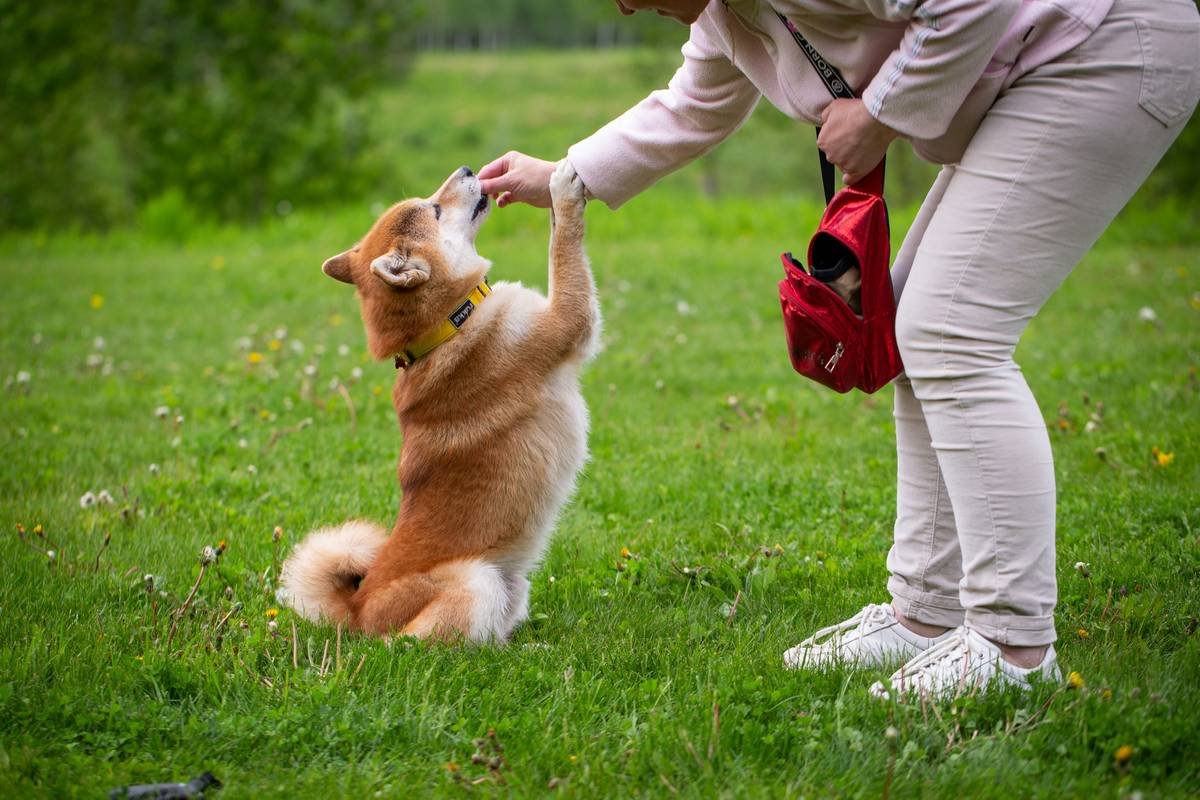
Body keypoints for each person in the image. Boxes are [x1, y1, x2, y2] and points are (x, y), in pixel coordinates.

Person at [478, 0, 1200, 699]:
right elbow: (693, 105)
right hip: (1044, 66)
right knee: (915, 333)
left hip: (1101, 47)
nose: (625, 10)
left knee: (950, 334)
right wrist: (565, 177)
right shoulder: (724, 14)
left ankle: (1013, 645)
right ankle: (926, 613)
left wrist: (879, 113)